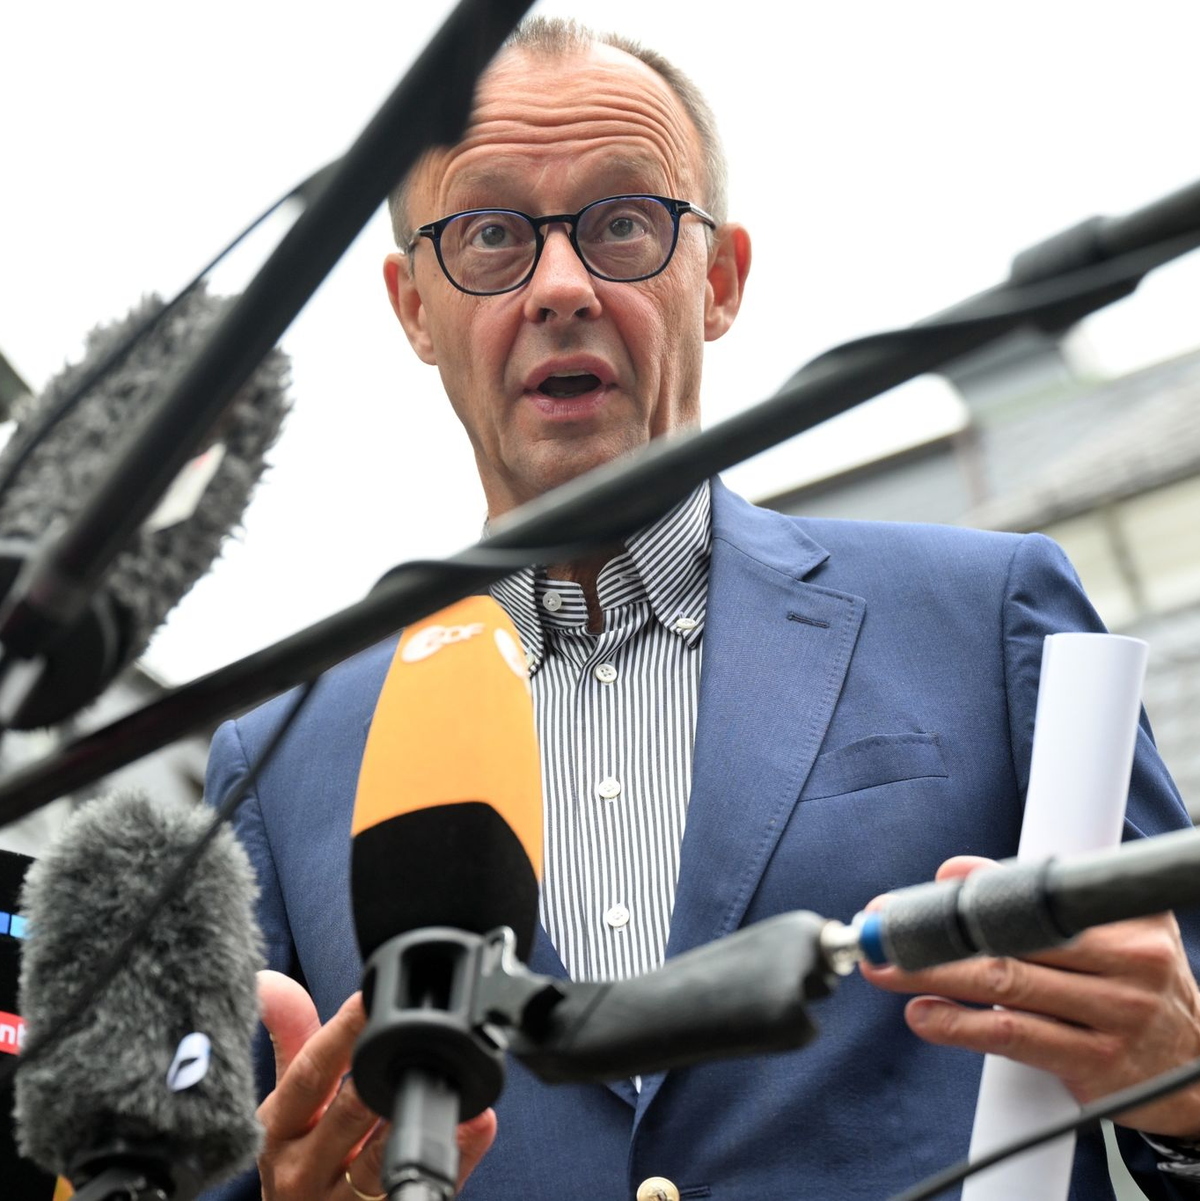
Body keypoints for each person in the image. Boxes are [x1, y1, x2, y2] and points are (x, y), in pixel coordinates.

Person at [202, 18, 1200, 1200]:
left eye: (624, 224)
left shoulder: (987, 615)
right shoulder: (278, 763)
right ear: (413, 306)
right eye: (489, 235)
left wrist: (1188, 1085)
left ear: (718, 279)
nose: (561, 285)